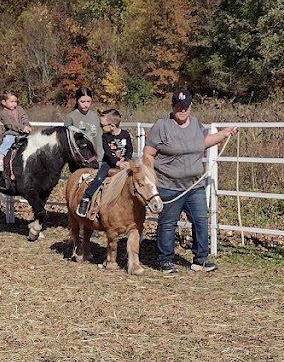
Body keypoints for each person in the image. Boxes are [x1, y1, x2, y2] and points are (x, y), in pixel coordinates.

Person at [142, 87, 238, 275]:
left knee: (201, 220)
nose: (182, 109)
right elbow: (149, 152)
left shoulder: (195, 124)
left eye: (185, 106)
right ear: (173, 106)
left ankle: (200, 259)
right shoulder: (162, 126)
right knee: (168, 223)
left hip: (195, 185)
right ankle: (165, 260)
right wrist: (149, 176)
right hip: (169, 185)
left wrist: (224, 134)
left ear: (190, 106)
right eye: (179, 105)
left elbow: (203, 141)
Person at [76, 107, 134, 218]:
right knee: (99, 178)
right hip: (109, 163)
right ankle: (86, 197)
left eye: (102, 125)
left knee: (135, 179)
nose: (101, 128)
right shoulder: (105, 137)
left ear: (112, 126)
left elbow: (129, 149)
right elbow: (107, 152)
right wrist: (117, 163)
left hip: (124, 163)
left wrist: (126, 160)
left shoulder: (125, 135)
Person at [0, 89, 32, 176]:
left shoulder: (19, 109)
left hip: (22, 133)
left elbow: (24, 117)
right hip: (11, 132)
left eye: (15, 101)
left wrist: (26, 125)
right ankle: (0, 159)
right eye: (11, 101)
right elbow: (10, 124)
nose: (14, 104)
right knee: (8, 141)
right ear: (4, 102)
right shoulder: (3, 114)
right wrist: (22, 127)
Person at [64, 87, 103, 163]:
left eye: (88, 101)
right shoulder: (71, 117)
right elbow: (66, 140)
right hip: (78, 158)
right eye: (82, 101)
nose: (86, 105)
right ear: (76, 101)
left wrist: (100, 156)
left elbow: (99, 138)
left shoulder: (95, 116)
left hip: (94, 158)